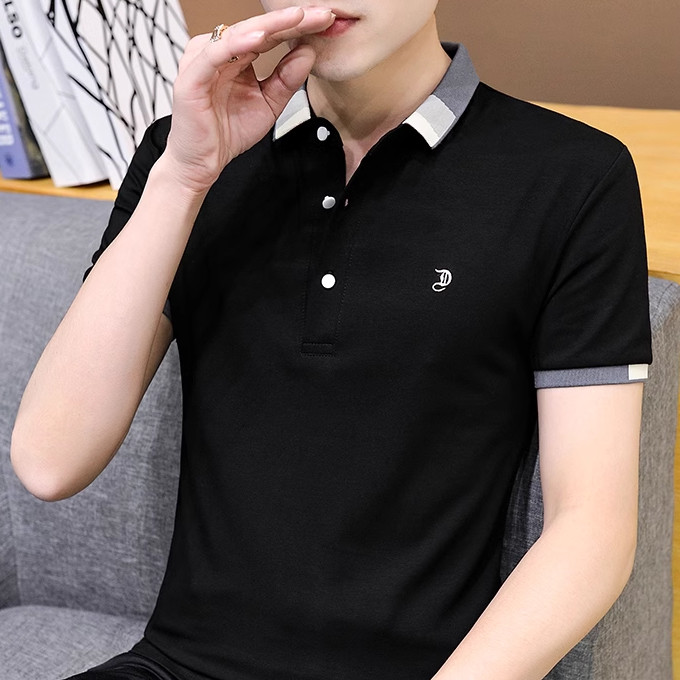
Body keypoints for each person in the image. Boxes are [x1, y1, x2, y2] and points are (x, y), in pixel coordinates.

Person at [10, 3, 652, 680]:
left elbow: (592, 530)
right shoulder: (188, 154)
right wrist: (183, 177)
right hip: (177, 666)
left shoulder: (574, 176)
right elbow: (51, 461)